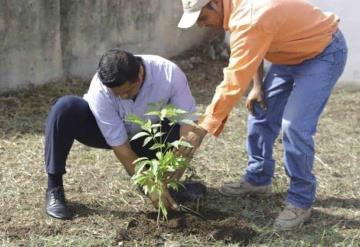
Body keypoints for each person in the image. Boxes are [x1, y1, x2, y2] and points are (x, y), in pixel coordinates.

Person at [177, 0, 348, 230]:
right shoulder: (238, 10)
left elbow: (232, 83)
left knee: (294, 127)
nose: (201, 26)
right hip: (286, 55)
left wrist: (202, 128)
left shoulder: (249, 17)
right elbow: (253, 49)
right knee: (259, 110)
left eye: (202, 19)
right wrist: (257, 86)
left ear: (215, 4)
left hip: (321, 52)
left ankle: (300, 201)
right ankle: (258, 178)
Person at [44, 48, 197, 219]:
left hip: (148, 133)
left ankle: (169, 187)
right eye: (117, 94)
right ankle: (54, 188)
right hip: (103, 131)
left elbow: (188, 124)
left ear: (140, 74)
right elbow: (121, 147)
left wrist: (178, 165)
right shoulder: (100, 89)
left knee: (179, 129)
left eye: (128, 91)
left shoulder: (168, 73)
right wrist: (149, 185)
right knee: (64, 108)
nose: (123, 97)